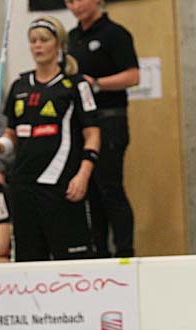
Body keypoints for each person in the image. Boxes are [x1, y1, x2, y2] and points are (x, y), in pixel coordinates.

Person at [0, 16, 100, 261]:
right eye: (33, 41)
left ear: (58, 44)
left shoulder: (75, 85)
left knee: (72, 262)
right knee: (29, 262)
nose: (37, 46)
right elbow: (12, 134)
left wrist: (83, 175)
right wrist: (0, 146)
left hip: (61, 186)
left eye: (44, 40)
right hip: (23, 187)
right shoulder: (20, 86)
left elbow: (92, 133)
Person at [66, 0, 139, 258]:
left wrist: (95, 83)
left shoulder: (114, 34)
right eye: (68, 1)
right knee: (91, 192)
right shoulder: (72, 37)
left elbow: (133, 76)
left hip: (109, 120)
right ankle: (99, 253)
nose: (74, 6)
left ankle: (124, 252)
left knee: (110, 187)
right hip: (83, 123)